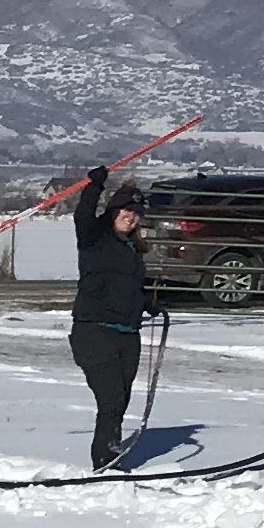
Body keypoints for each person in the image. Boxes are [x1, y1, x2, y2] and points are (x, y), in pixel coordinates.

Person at [71, 166, 157, 470]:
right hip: (94, 332)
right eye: (126, 211)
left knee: (120, 400)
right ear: (114, 211)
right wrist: (94, 187)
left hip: (127, 333)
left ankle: (113, 451)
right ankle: (104, 458)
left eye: (137, 214)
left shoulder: (133, 249)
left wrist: (148, 303)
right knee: (110, 399)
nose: (131, 218)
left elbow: (127, 287)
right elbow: (83, 215)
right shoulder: (94, 237)